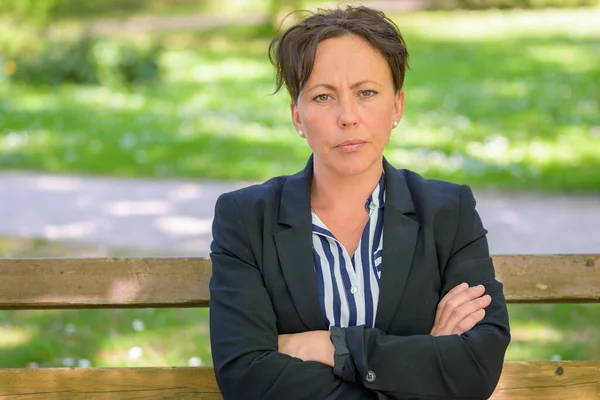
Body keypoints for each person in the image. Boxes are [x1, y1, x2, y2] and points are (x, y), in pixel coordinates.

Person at [209, 5, 510, 400]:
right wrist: (422, 364)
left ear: (397, 106)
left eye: (366, 93)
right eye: (322, 97)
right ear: (296, 116)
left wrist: (333, 347)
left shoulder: (448, 212)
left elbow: (474, 368)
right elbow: (246, 377)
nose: (347, 116)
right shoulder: (246, 219)